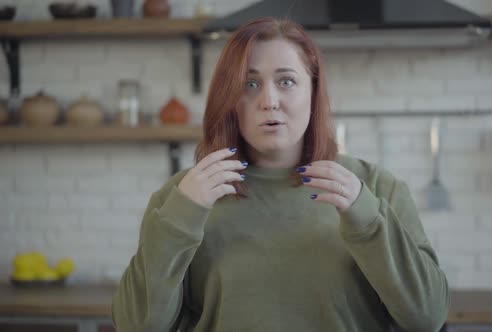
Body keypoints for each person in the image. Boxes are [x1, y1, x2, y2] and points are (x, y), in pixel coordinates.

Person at [112, 17, 449, 332]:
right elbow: (136, 325)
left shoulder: (377, 188)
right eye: (250, 84)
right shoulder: (183, 196)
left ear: (313, 94)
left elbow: (427, 317)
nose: (269, 100)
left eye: (286, 81)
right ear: (229, 99)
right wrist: (182, 214)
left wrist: (367, 217)